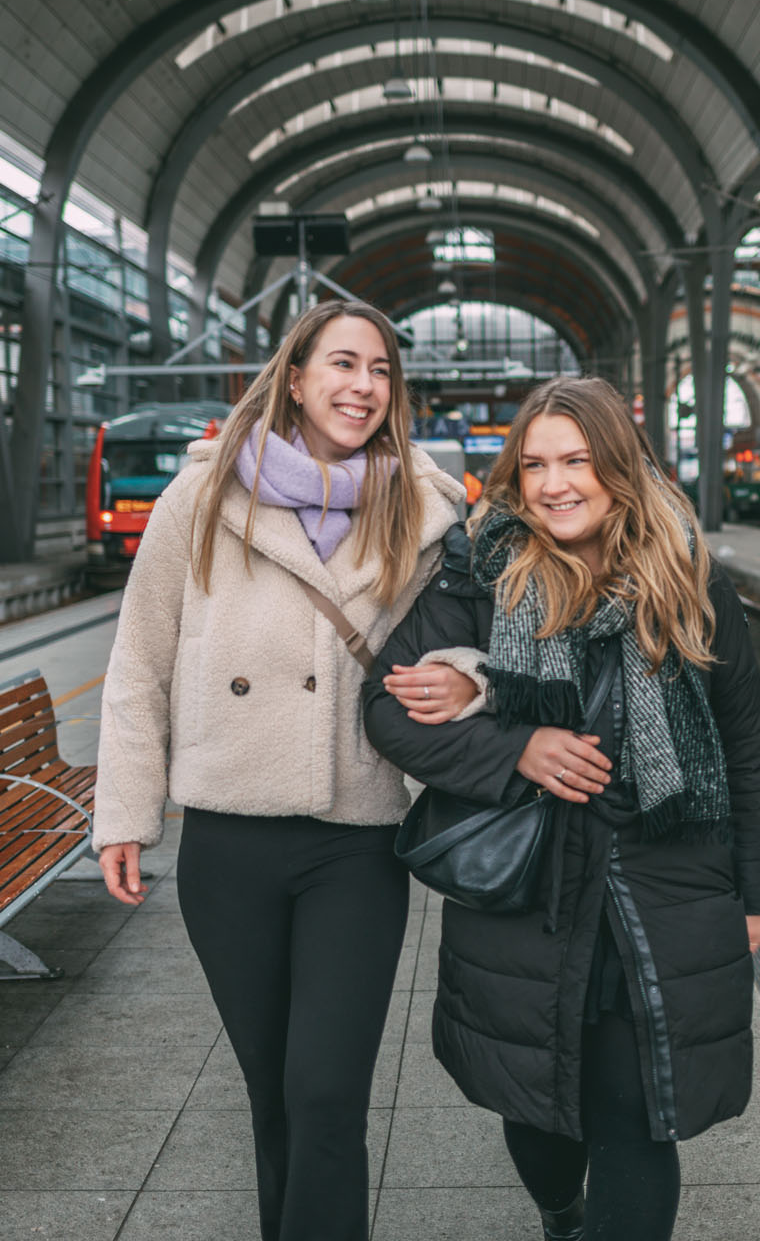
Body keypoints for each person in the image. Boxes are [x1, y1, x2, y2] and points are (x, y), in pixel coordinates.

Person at [93, 299, 484, 1241]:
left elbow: (471, 642)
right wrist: (123, 813)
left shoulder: (425, 507)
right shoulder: (204, 494)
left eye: (381, 370)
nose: (362, 386)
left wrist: (466, 685)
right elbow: (140, 659)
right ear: (296, 376)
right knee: (272, 1095)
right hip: (229, 840)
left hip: (356, 841)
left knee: (325, 1095)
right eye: (343, 364)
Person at [362, 376, 760, 1241]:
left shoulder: (691, 581)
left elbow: (746, 744)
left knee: (635, 1112)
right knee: (541, 1109)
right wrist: (514, 750)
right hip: (534, 885)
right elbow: (385, 707)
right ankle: (562, 1215)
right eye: (537, 463)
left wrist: (758, 890)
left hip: (664, 880)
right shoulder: (479, 576)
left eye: (578, 460)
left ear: (619, 468)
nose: (556, 483)